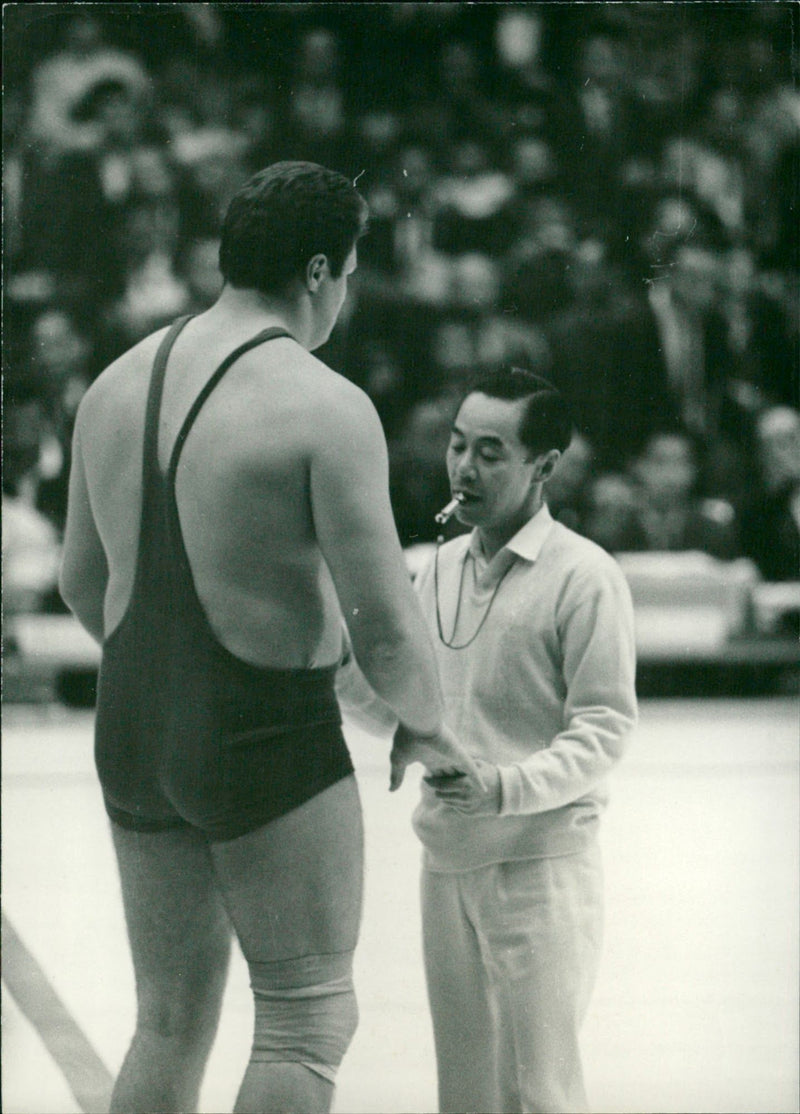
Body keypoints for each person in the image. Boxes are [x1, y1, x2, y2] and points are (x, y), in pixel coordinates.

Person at [59, 160, 479, 1114]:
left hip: (130, 726)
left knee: (168, 1019)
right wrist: (426, 724)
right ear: (322, 270)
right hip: (261, 731)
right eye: (356, 272)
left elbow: (83, 584)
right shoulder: (324, 404)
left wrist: (165, 676)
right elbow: (384, 625)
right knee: (305, 1017)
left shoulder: (114, 385)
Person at [410, 368, 638, 1113]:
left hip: (540, 871)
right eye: (456, 446)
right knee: (466, 1097)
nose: (464, 468)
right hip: (447, 865)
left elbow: (605, 726)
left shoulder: (584, 576)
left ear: (545, 466)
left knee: (539, 1095)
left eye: (490, 451)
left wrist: (504, 786)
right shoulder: (434, 568)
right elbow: (410, 704)